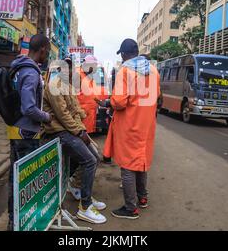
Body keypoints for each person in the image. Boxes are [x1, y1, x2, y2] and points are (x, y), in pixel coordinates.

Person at [100, 39, 160, 220]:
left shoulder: (125, 71)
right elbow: (156, 95)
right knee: (141, 163)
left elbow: (119, 102)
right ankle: (142, 198)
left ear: (125, 54)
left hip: (130, 125)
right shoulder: (154, 70)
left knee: (127, 166)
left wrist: (108, 102)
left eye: (122, 54)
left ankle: (130, 207)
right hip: (147, 125)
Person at [43, 57, 107, 224]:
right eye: (66, 68)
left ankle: (83, 194)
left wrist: (82, 126)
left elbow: (75, 109)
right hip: (58, 132)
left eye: (71, 68)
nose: (69, 71)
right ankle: (85, 207)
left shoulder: (68, 85)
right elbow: (63, 116)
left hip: (70, 130)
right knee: (90, 161)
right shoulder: (54, 86)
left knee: (95, 156)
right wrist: (80, 132)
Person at [7, 34, 52, 230]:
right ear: (42, 49)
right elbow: (29, 108)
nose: (47, 55)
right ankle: (23, 222)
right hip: (26, 133)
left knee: (15, 178)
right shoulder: (31, 73)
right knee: (26, 181)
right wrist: (47, 117)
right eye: (47, 51)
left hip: (16, 129)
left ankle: (13, 220)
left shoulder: (17, 67)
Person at [77, 55, 108, 134]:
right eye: (94, 67)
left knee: (87, 137)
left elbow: (92, 93)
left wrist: (102, 101)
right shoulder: (77, 75)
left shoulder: (89, 77)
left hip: (88, 117)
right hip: (80, 117)